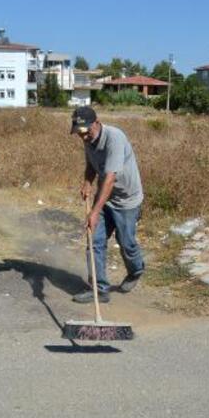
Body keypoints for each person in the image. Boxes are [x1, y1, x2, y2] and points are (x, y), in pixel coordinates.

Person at [71, 106, 145, 303]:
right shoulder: (88, 139)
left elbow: (110, 178)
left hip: (127, 200)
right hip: (106, 199)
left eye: (85, 132)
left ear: (96, 123)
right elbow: (91, 166)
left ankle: (136, 270)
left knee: (126, 242)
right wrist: (87, 182)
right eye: (79, 134)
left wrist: (94, 212)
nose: (83, 138)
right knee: (94, 240)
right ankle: (100, 290)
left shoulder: (115, 138)